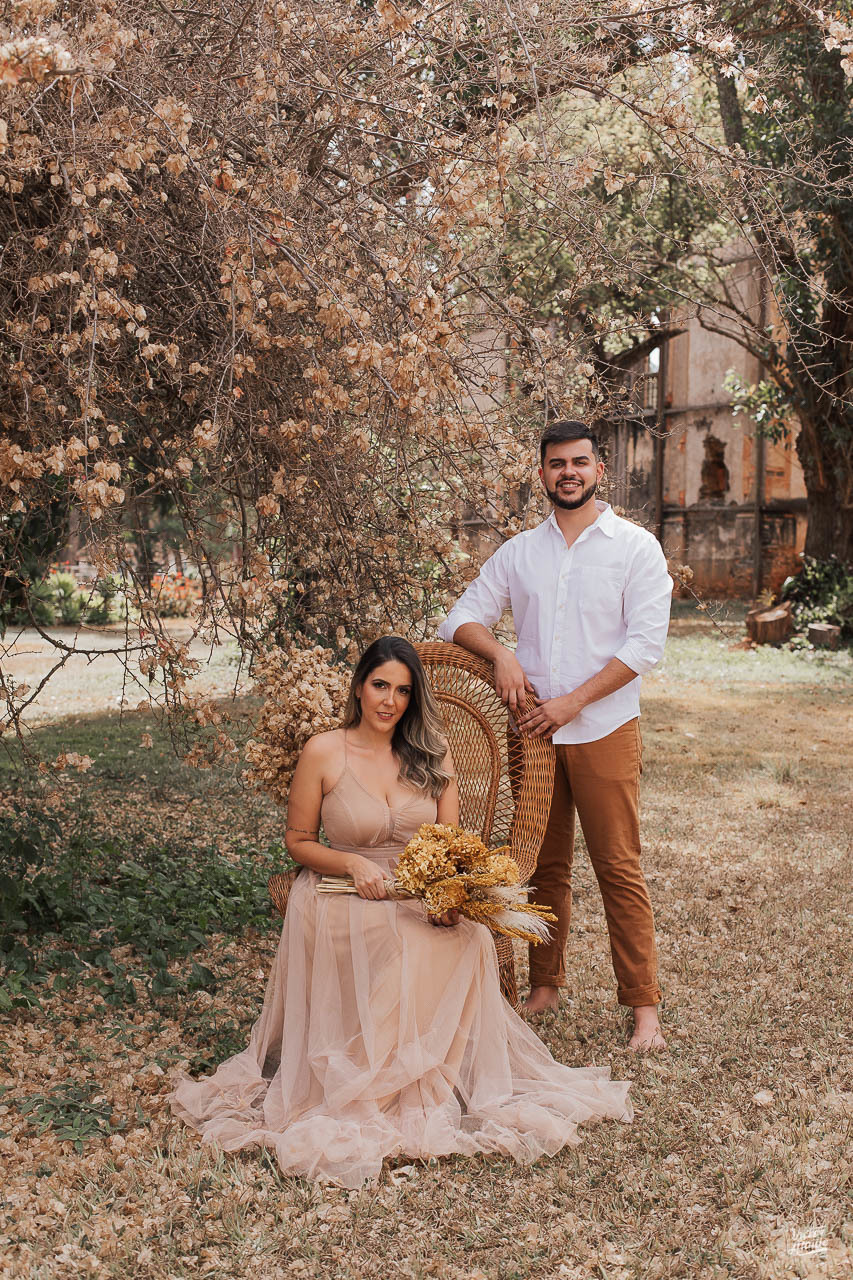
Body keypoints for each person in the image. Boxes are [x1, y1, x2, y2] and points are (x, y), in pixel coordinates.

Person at [170, 635, 632, 1187]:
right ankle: (366, 1084)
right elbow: (298, 840)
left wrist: (446, 896)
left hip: (415, 886)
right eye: (380, 685)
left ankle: (415, 1083)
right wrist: (349, 863)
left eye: (403, 691)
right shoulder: (324, 750)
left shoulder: (432, 755)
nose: (389, 701)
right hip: (338, 889)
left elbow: (451, 842)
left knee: (467, 939)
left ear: (414, 699)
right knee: (397, 940)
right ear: (360, 687)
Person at [438, 421, 672, 1051]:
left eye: (580, 462)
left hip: (603, 728)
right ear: (540, 472)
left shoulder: (635, 548)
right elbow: (459, 617)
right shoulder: (519, 553)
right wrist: (502, 657)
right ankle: (546, 983)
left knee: (618, 866)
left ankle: (643, 1005)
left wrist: (573, 702)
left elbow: (645, 644)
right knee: (546, 865)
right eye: (556, 464)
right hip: (534, 735)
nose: (568, 472)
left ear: (599, 470)